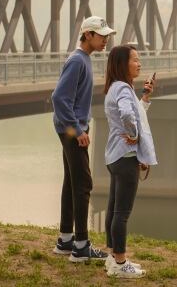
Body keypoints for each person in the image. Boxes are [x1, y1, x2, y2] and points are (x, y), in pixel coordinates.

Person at [51, 16, 115, 262]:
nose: (105, 40)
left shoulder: (82, 59)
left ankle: (66, 240)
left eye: (107, 35)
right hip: (72, 130)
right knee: (83, 184)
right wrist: (78, 131)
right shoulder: (78, 60)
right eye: (101, 35)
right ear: (87, 35)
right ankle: (80, 247)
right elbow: (59, 98)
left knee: (71, 182)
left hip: (68, 128)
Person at [102, 45, 158, 278]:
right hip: (126, 158)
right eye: (135, 60)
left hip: (115, 156)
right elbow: (127, 115)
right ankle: (121, 262)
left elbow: (134, 113)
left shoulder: (116, 88)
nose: (139, 63)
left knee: (114, 209)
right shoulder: (124, 89)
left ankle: (113, 258)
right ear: (123, 64)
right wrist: (134, 136)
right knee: (122, 212)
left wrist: (144, 97)